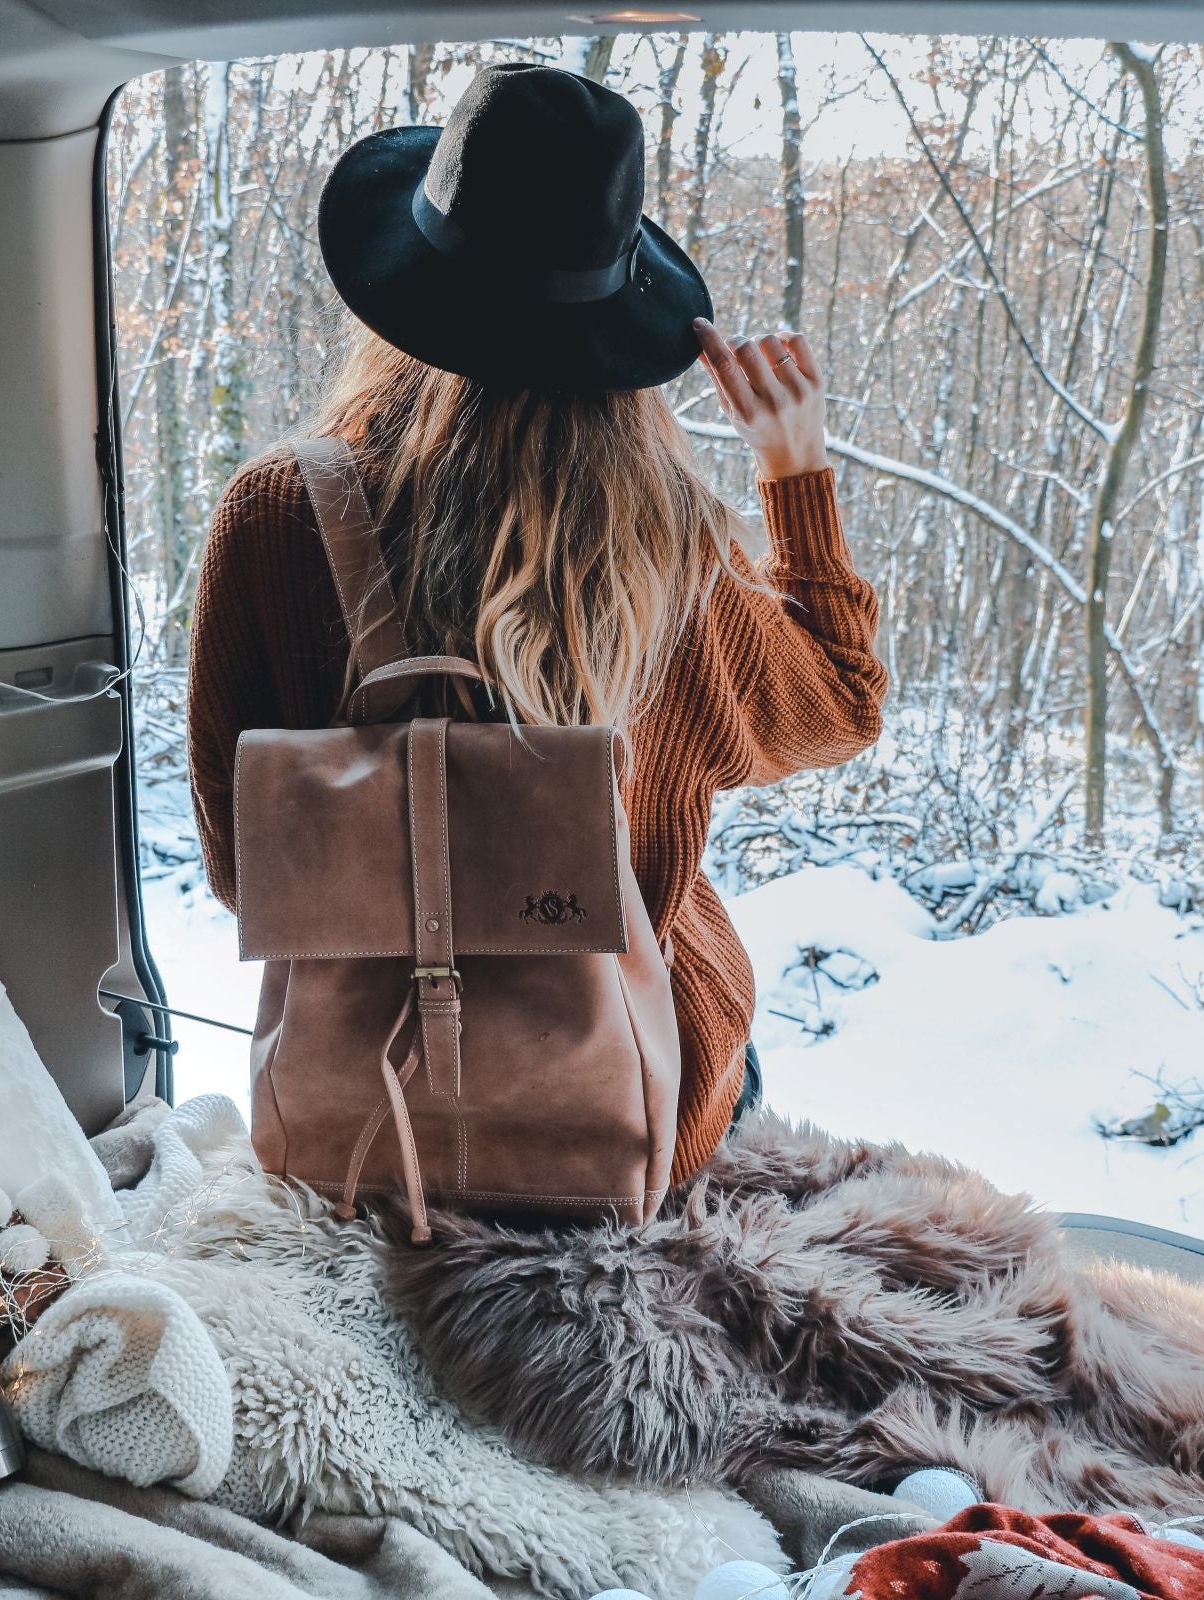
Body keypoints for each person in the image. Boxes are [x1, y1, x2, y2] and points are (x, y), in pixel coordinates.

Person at [186, 62, 885, 1187]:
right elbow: (846, 702)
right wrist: (794, 473)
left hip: (368, 1105)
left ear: (405, 280)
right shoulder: (667, 551)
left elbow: (242, 871)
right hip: (639, 1101)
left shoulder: (276, 512)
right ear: (617, 315)